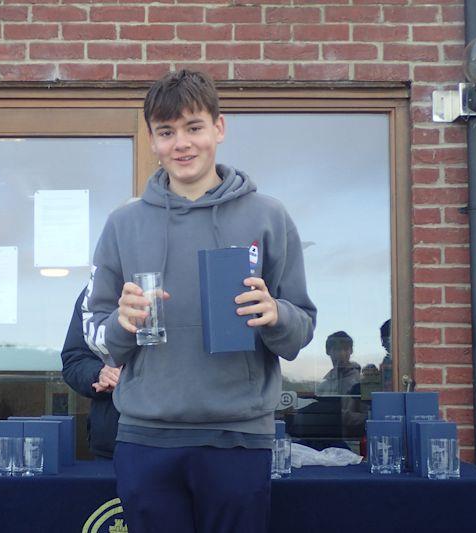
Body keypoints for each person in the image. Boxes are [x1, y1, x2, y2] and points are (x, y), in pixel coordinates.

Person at [83, 70, 316, 533]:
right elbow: (95, 331)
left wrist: (276, 315)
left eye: (194, 127)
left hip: (238, 437)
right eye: (166, 132)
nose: (181, 144)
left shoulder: (269, 216)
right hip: (146, 438)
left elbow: (302, 328)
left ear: (219, 128)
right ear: (151, 139)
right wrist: (120, 326)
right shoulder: (122, 224)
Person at [61, 288, 120, 459]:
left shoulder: (186, 285)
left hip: (183, 438)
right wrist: (100, 373)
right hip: (111, 441)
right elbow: (74, 361)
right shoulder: (95, 293)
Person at [316, 331, 360, 395]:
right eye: (337, 349)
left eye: (345, 349)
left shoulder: (360, 384)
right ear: (328, 351)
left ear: (351, 351)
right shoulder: (322, 388)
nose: (341, 354)